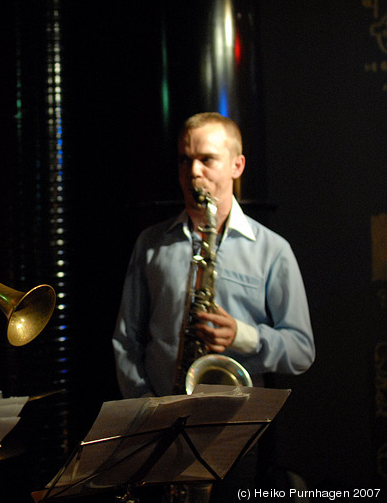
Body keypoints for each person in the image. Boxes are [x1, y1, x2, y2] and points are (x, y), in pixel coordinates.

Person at [112, 112, 315, 500]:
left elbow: (302, 351)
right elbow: (126, 339)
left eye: (207, 159)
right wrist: (146, 411)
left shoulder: (273, 251)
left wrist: (245, 336)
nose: (193, 172)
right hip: (160, 430)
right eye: (184, 160)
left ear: (237, 165)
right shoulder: (151, 243)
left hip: (236, 435)